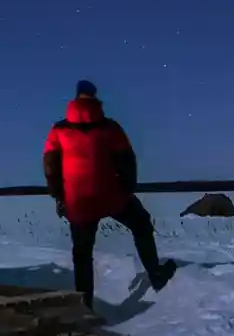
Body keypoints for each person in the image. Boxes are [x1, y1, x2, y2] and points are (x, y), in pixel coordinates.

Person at [43, 79, 176, 310]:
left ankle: (85, 308)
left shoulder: (58, 130)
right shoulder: (111, 127)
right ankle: (155, 275)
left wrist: (59, 197)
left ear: (75, 99)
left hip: (78, 200)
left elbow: (50, 166)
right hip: (110, 195)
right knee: (141, 224)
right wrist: (126, 189)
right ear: (95, 97)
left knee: (82, 255)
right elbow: (127, 160)